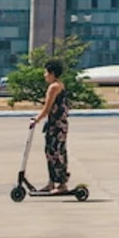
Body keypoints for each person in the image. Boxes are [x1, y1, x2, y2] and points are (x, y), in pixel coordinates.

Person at [30, 59, 69, 193]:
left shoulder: (54, 87)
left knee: (56, 152)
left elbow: (47, 108)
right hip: (56, 123)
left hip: (57, 125)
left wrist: (37, 119)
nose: (44, 75)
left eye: (46, 72)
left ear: (52, 73)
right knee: (51, 152)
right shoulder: (59, 85)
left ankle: (61, 184)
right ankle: (52, 182)